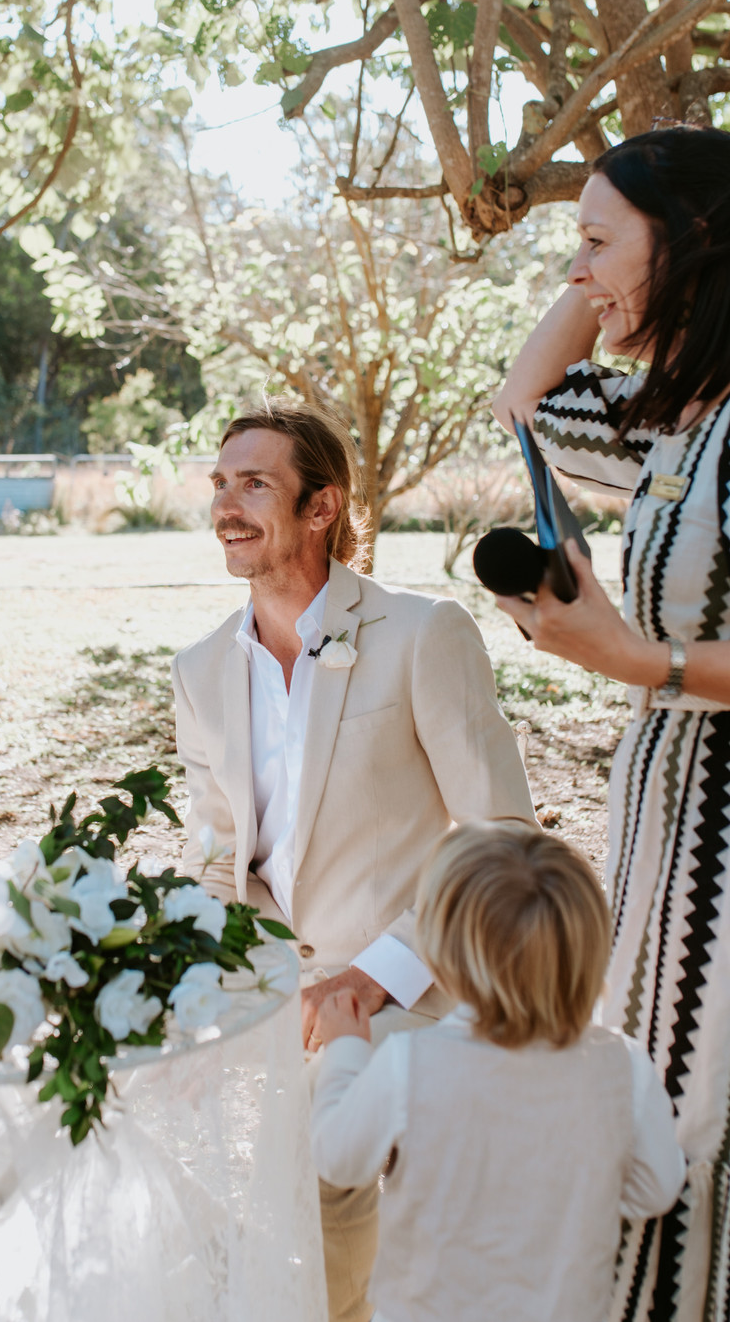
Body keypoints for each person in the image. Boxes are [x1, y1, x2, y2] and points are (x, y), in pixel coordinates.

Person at [172, 394, 536, 1322]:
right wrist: (197, 981)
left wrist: (371, 981)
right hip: (266, 992)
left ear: (322, 506)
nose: (227, 505)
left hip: (411, 985)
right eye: (220, 483)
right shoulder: (201, 668)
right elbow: (220, 859)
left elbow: (503, 839)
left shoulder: (422, 632)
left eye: (255, 483)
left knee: (323, 1201)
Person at [492, 124, 730, 1322]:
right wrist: (598, 273)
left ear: (692, 243)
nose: (575, 275)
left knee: (700, 1120)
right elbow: (524, 400)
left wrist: (638, 660)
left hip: (725, 843)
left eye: (595, 243)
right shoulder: (681, 419)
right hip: (666, 817)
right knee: (657, 1103)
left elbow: (655, 657)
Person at [310, 823, 685, 1322]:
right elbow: (655, 1188)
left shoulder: (410, 1063)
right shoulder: (625, 1066)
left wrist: (345, 1052)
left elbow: (338, 1160)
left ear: (442, 961)